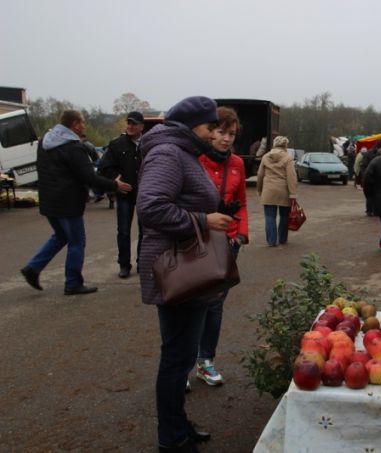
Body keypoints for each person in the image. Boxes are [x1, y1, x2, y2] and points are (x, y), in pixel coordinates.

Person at [136, 96, 232, 452]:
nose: (213, 135)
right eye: (210, 128)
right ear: (192, 126)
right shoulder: (168, 153)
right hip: (177, 269)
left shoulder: (182, 152)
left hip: (187, 266)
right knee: (176, 358)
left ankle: (178, 426)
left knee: (181, 356)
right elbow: (151, 207)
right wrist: (203, 221)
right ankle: (172, 440)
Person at [20, 110, 131, 295]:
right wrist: (114, 184)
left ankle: (33, 268)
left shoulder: (45, 142)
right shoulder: (73, 148)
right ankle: (72, 283)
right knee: (77, 241)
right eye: (83, 122)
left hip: (48, 200)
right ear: (75, 124)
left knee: (61, 236)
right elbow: (89, 176)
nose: (84, 126)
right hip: (68, 202)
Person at [194, 107, 249, 387]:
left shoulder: (238, 163)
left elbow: (242, 201)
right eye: (220, 132)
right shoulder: (193, 159)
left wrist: (241, 235)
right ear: (208, 131)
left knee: (215, 305)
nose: (225, 139)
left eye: (231, 134)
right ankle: (182, 364)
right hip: (197, 240)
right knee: (190, 302)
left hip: (228, 243)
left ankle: (206, 361)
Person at [98, 111, 145, 278]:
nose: (130, 126)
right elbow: (104, 167)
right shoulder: (117, 144)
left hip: (144, 195)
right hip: (124, 194)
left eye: (134, 123)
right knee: (123, 231)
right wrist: (115, 181)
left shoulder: (148, 144)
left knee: (145, 230)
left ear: (141, 126)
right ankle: (124, 265)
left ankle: (142, 262)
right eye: (129, 123)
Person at [256, 135, 297, 247]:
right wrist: (293, 193)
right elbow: (291, 177)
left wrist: (259, 190)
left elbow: (260, 175)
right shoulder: (288, 158)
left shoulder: (265, 157)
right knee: (284, 216)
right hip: (284, 191)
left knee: (270, 216)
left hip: (268, 191)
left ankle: (271, 241)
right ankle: (282, 239)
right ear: (285, 146)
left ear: (274, 144)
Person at [358, 139, 381, 216]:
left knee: (376, 195)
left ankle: (375, 210)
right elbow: (363, 167)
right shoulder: (368, 154)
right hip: (369, 178)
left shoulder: (380, 154)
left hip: (377, 179)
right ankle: (369, 211)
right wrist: (365, 177)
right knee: (370, 195)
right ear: (379, 147)